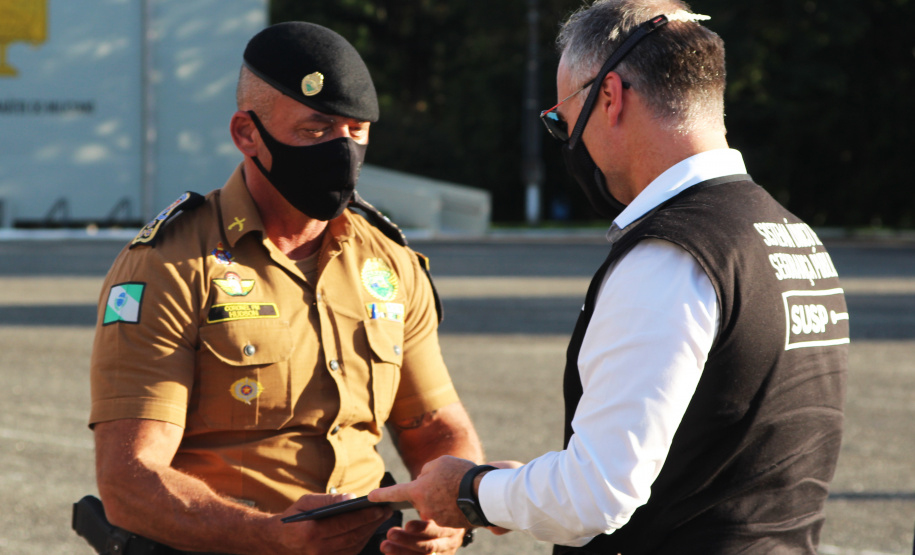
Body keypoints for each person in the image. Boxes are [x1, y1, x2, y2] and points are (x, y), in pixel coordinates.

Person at [370, 1, 850, 553]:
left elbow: (594, 497)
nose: (568, 142)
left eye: (561, 121)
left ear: (610, 96)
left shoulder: (671, 255)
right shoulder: (792, 236)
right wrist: (513, 487)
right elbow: (712, 453)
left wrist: (472, 490)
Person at [87, 21, 483, 555]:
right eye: (316, 130)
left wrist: (449, 520)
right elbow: (129, 482)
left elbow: (434, 428)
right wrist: (272, 538)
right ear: (247, 134)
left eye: (356, 131)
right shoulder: (170, 266)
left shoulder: (389, 262)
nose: (342, 150)